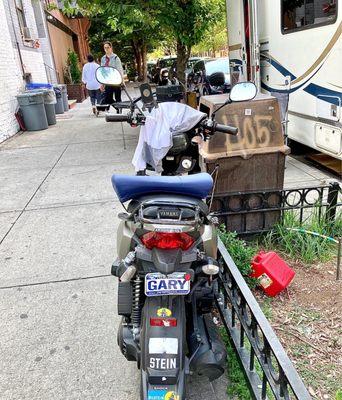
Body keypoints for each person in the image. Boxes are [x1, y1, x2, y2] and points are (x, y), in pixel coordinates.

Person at [101, 41, 124, 110]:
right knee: (108, 98)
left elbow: (120, 70)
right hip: (108, 81)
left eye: (108, 47)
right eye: (105, 48)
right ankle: (117, 108)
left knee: (118, 98)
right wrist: (102, 83)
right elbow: (102, 71)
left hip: (116, 81)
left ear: (111, 48)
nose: (106, 49)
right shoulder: (103, 58)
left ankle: (119, 111)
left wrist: (122, 81)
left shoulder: (115, 58)